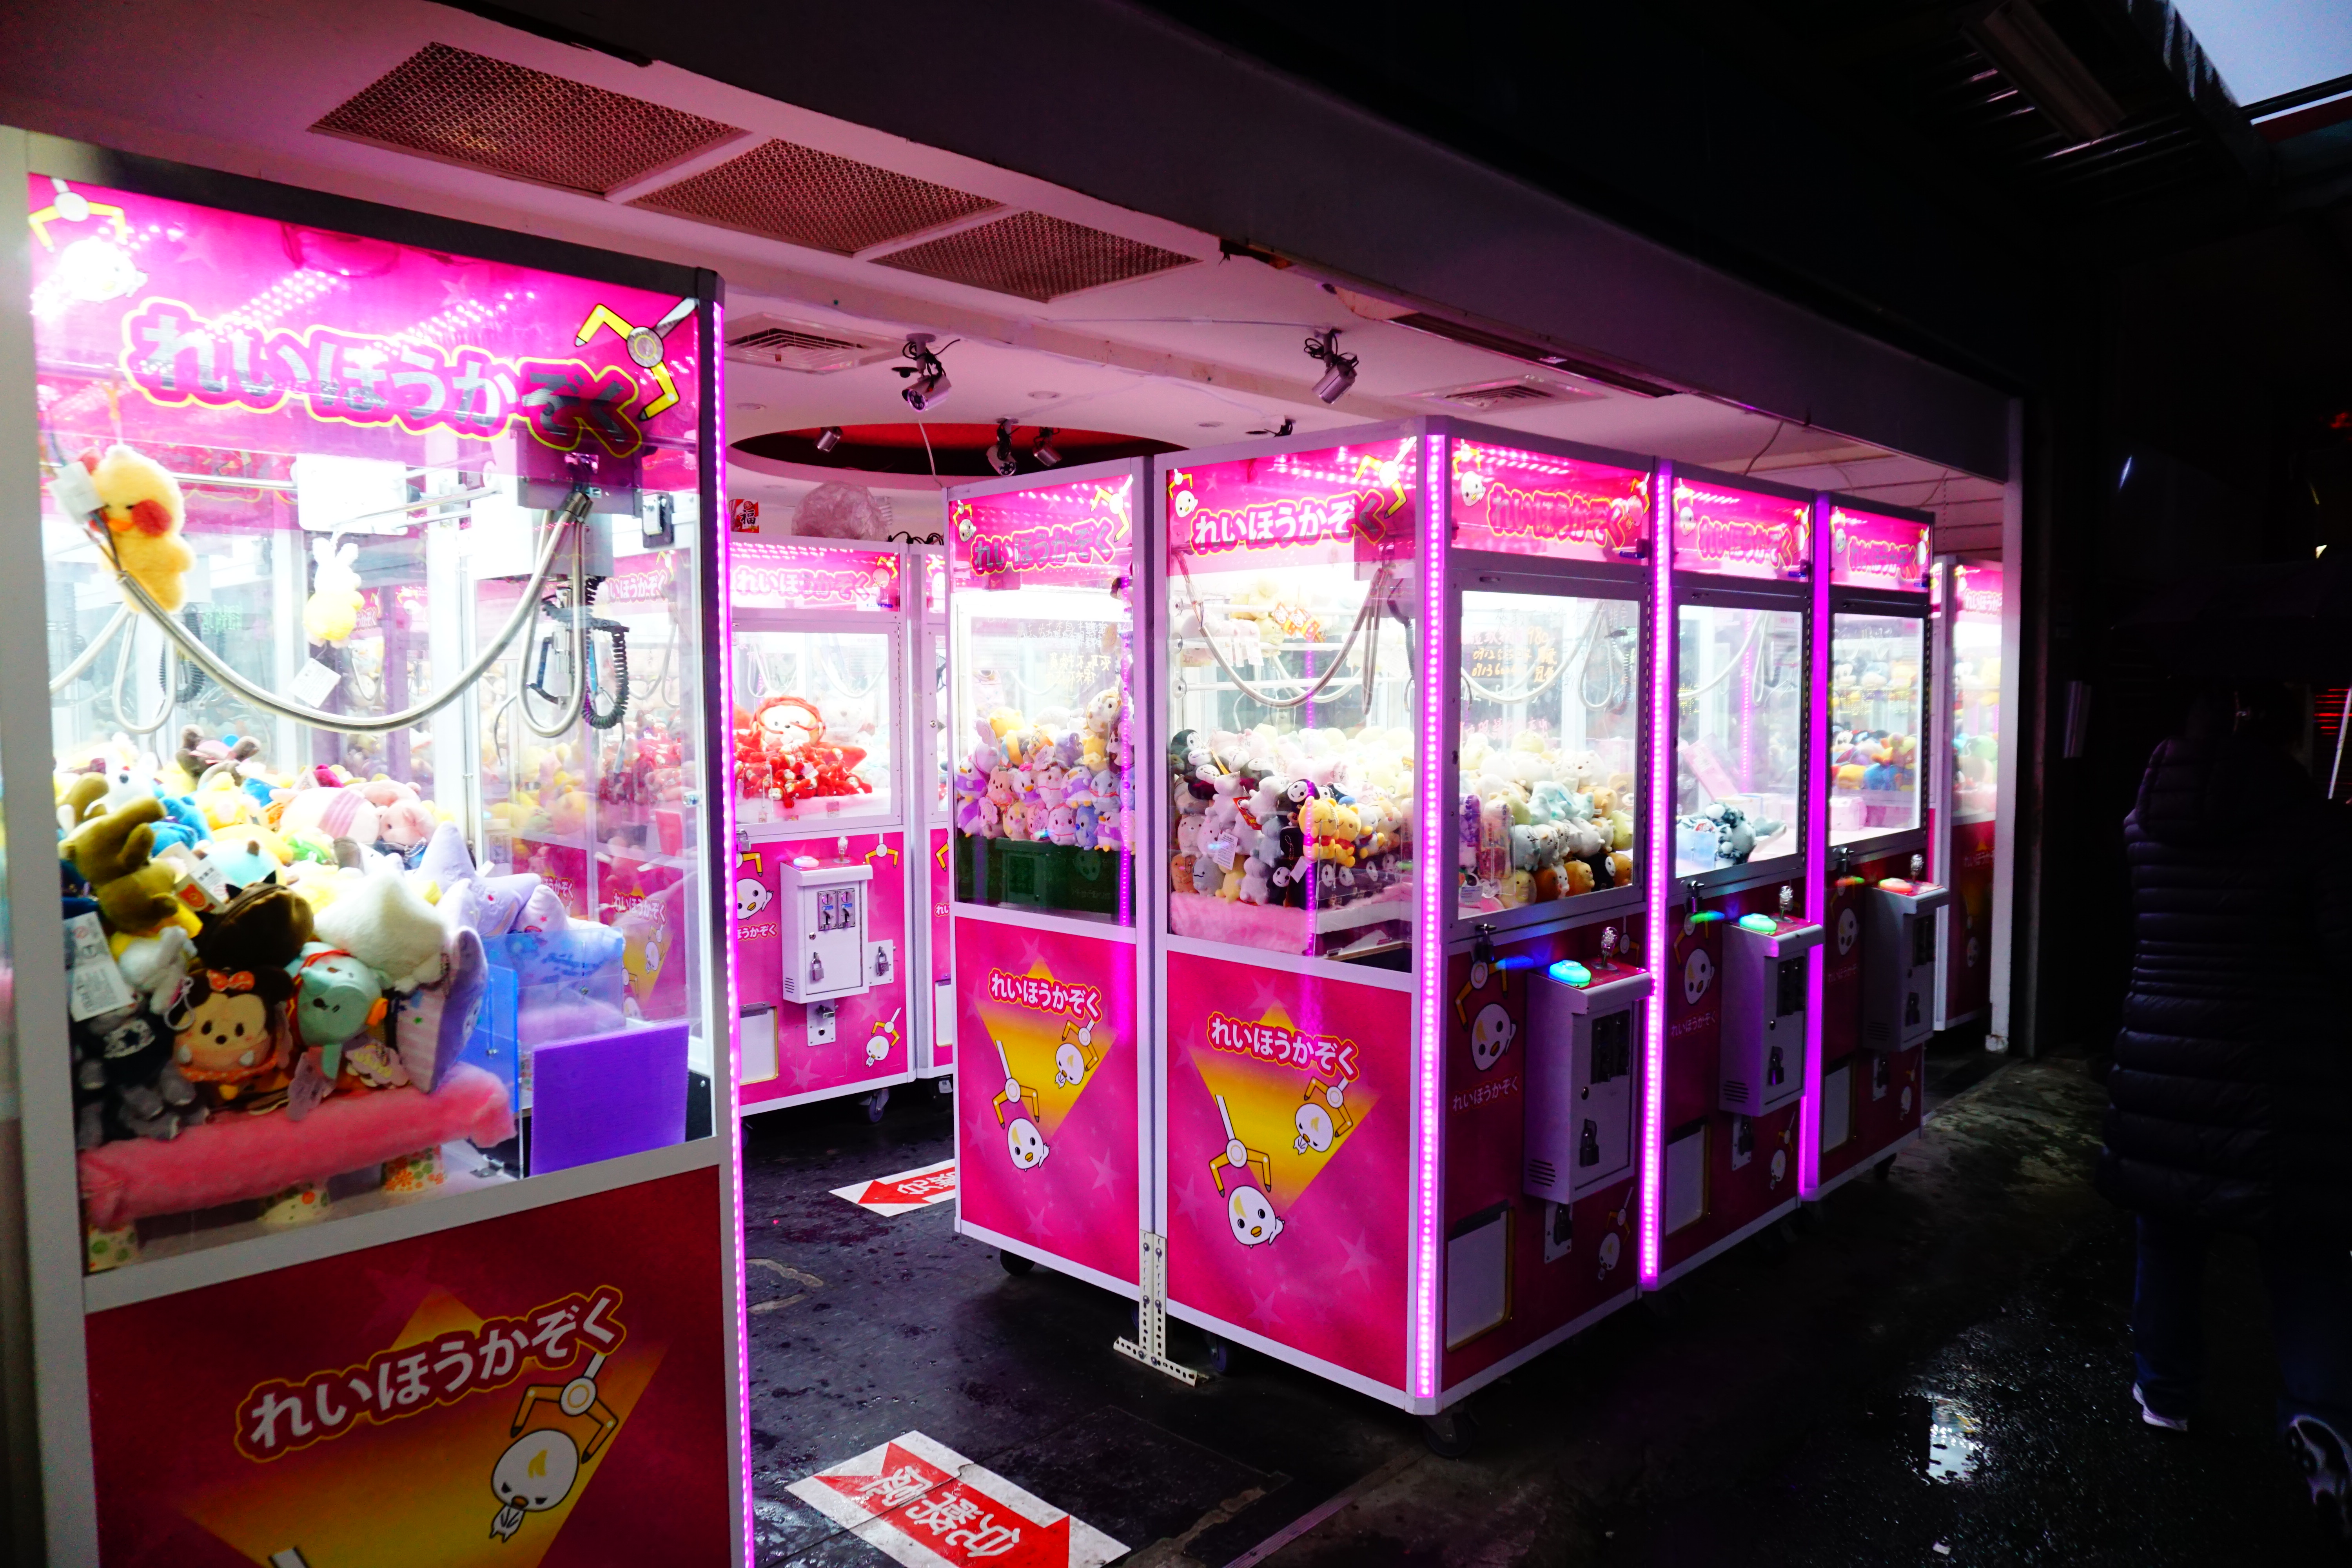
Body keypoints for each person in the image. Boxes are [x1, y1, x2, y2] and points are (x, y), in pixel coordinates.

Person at [2098, 682, 2352, 1545]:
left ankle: (2164, 1394)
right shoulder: (2314, 829)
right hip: (2278, 1074)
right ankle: (2320, 1420)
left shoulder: (2143, 826)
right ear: (2287, 741)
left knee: (2168, 1233)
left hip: (2161, 1055)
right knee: (2306, 1254)